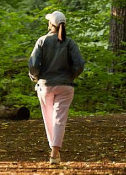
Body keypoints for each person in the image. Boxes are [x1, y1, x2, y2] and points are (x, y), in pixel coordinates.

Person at [28, 10, 85, 164]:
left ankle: (54, 151)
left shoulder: (42, 41)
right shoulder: (70, 43)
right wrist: (70, 76)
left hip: (45, 86)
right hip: (66, 86)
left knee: (49, 119)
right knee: (60, 118)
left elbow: (33, 65)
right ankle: (55, 153)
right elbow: (79, 65)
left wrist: (35, 77)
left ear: (50, 24)